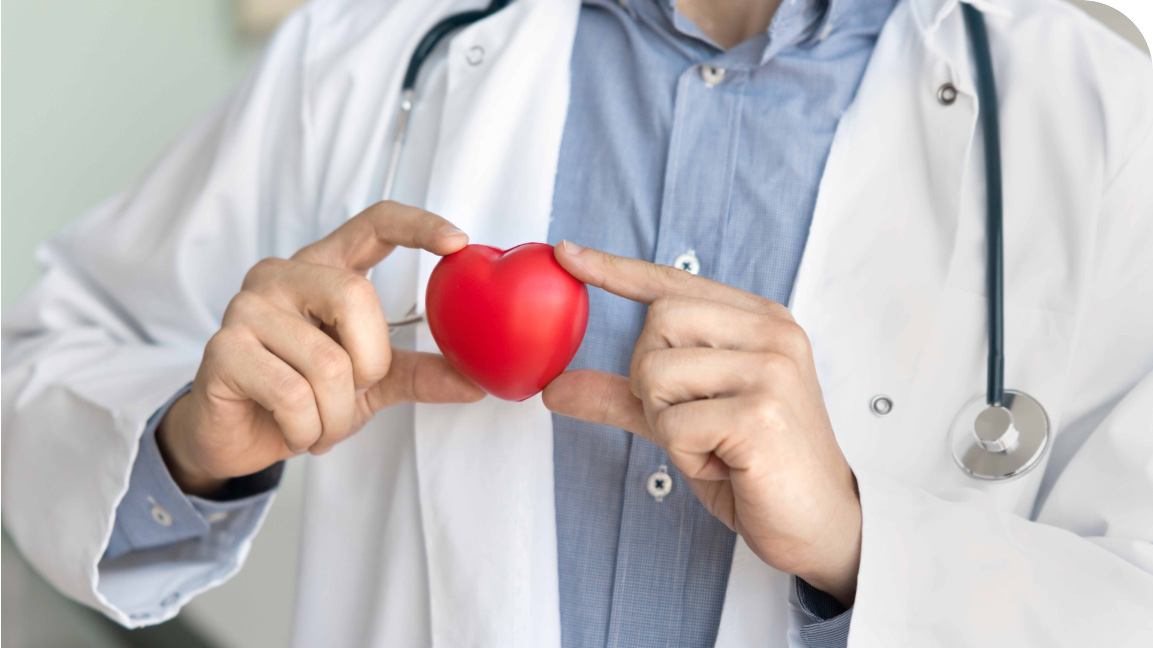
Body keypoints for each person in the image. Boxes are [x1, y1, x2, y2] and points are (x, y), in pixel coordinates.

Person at [3, 0, 1152, 645]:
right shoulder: (370, 45)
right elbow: (41, 363)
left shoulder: (1098, 115)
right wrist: (188, 450)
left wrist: (860, 549)